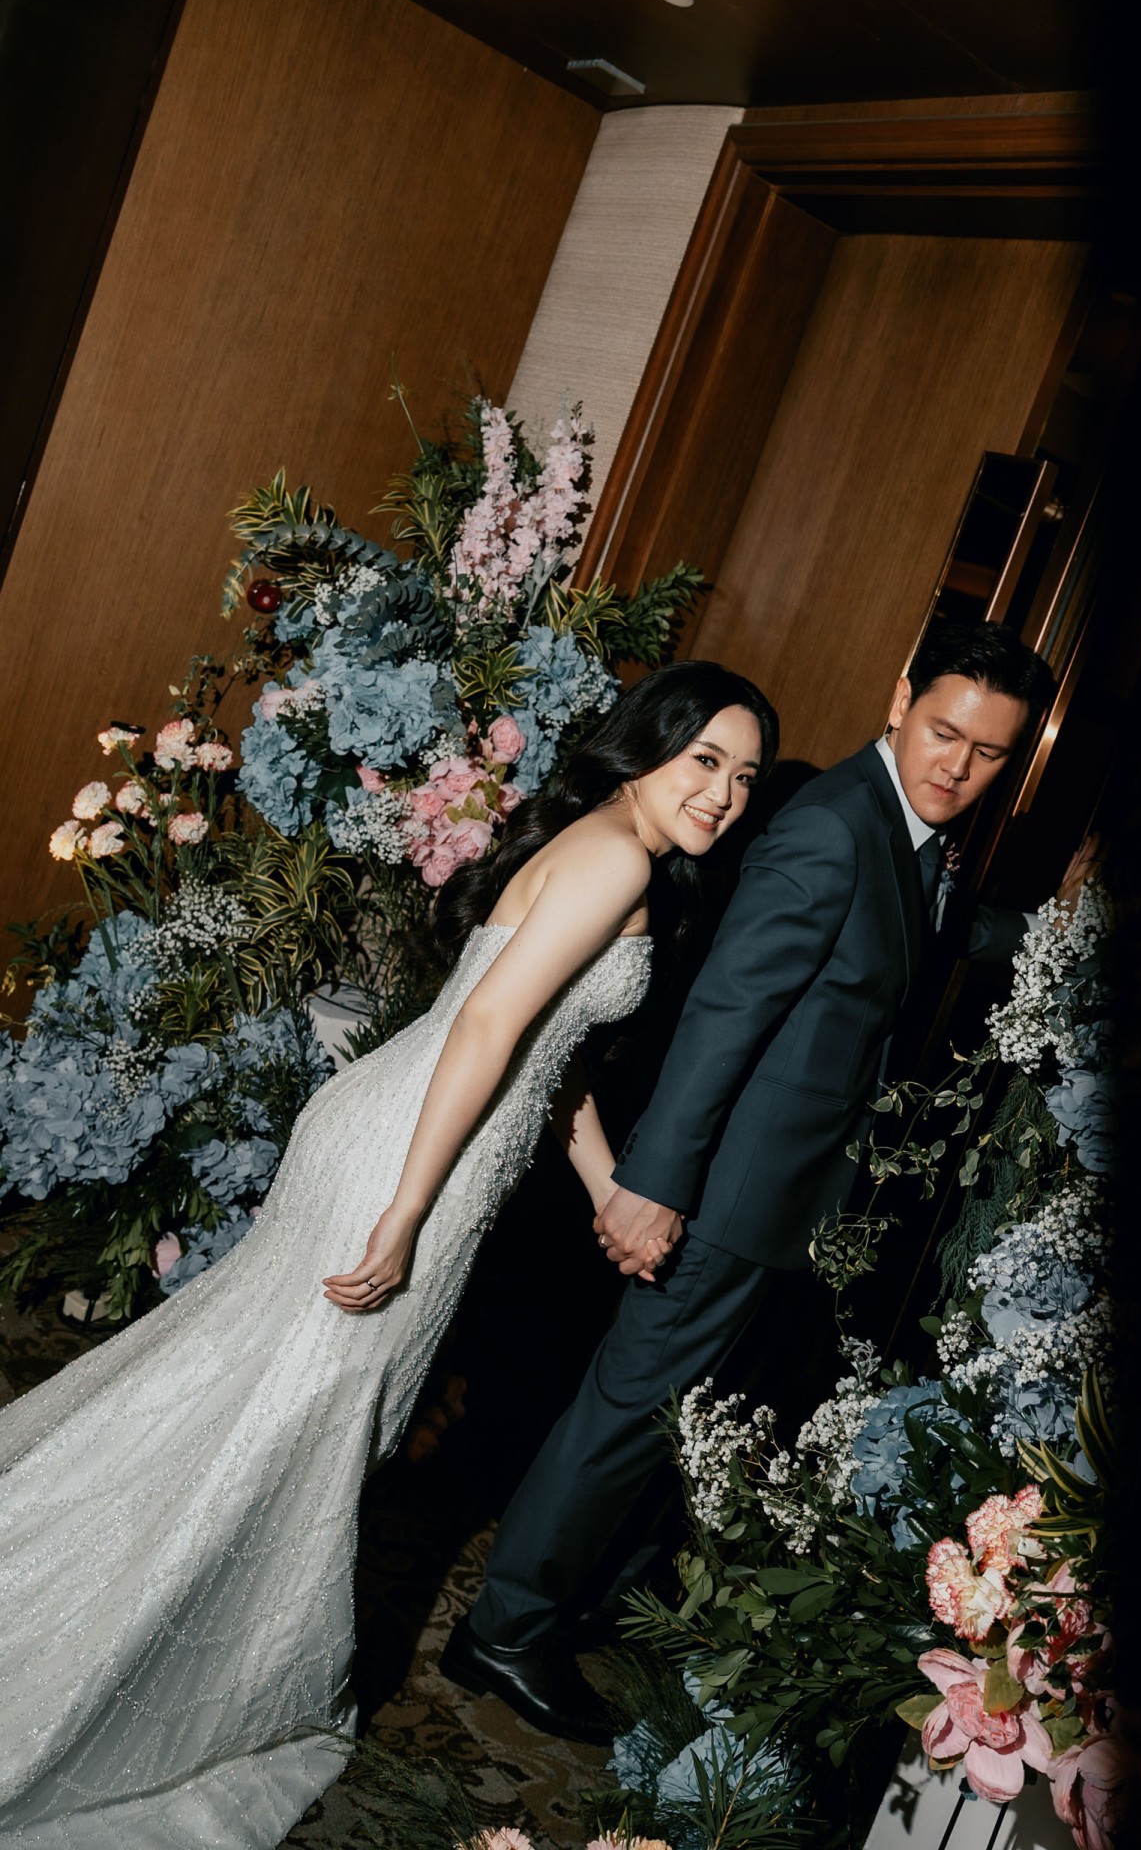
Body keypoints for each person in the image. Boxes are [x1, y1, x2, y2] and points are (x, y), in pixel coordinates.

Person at [0, 661, 778, 1849]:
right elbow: (487, 1026)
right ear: (647, 748)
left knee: (256, 1407)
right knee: (284, 1431)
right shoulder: (617, 859)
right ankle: (95, 1652)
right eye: (704, 760)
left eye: (746, 777)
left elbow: (547, 1056)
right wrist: (409, 1210)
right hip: (411, 1162)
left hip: (402, 1139)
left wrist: (605, 1187)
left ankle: (110, 1608)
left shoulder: (611, 847)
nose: (721, 794)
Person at [448, 620, 1081, 1743]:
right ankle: (504, 1627)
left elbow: (929, 927)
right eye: (943, 732)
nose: (956, 767)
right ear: (900, 701)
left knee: (670, 1423)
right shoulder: (832, 827)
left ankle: (574, 1602)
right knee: (627, 1414)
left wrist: (1052, 934)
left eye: (987, 753)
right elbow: (723, 1018)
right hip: (721, 1196)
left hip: (779, 1202)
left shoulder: (900, 829)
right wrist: (653, 1184)